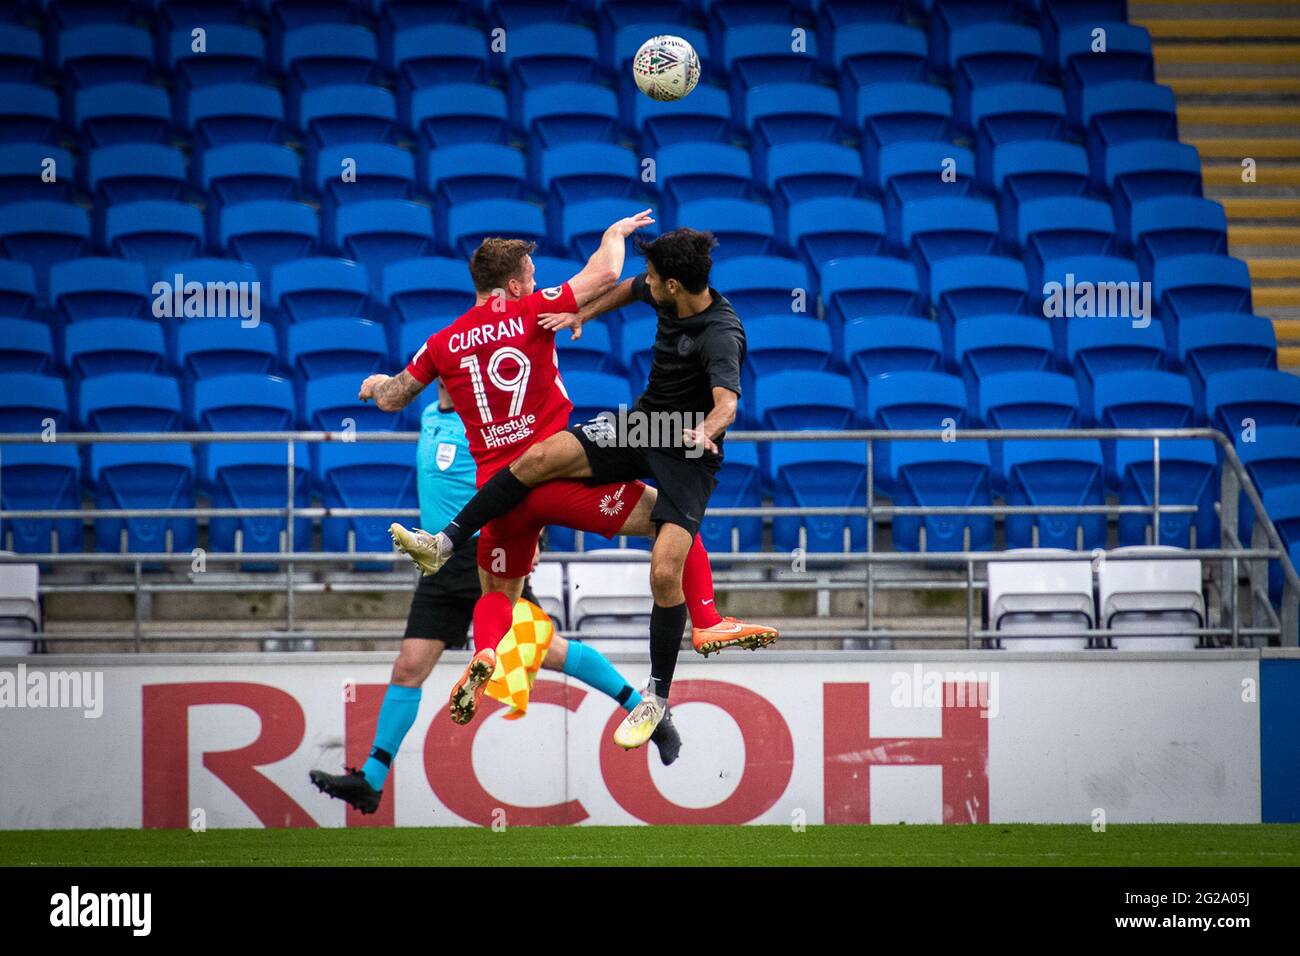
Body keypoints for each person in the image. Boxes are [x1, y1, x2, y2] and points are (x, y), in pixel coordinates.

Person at [358, 213, 777, 751]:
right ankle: (700, 626)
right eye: (530, 276)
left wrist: (374, 386)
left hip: (498, 496)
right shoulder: (533, 311)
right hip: (568, 486)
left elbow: (394, 395)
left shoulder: (442, 342)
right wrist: (615, 235)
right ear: (514, 286)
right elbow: (608, 274)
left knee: (499, 594)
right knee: (666, 525)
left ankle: (482, 644)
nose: (535, 284)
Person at [309, 382, 681, 816]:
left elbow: (528, 474)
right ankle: (370, 781)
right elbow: (401, 388)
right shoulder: (430, 414)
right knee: (409, 665)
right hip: (438, 560)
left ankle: (647, 713)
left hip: (487, 550)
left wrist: (534, 537)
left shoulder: (486, 424)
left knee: (551, 652)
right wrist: (379, 388)